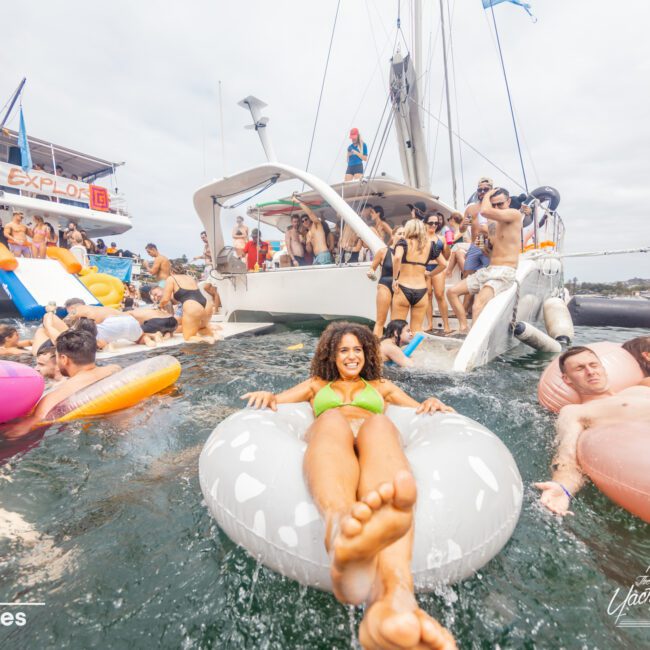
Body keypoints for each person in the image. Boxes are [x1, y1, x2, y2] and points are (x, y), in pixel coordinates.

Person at [241, 322, 456, 650]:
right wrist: (266, 395)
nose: (352, 356)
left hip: (371, 436)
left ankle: (396, 599)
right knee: (330, 420)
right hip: (332, 438)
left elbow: (416, 406)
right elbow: (278, 401)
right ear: (332, 354)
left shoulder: (381, 387)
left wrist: (432, 404)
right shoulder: (316, 385)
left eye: (357, 349)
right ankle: (343, 530)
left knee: (381, 423)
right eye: (344, 350)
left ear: (367, 353)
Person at [534, 346, 650, 516]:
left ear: (603, 369)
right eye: (580, 368)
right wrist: (563, 487)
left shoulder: (639, 389)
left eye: (594, 365)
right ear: (567, 379)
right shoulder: (575, 411)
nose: (590, 372)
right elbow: (567, 454)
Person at [3, 330, 120, 438]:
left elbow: (22, 429)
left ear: (64, 359)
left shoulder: (55, 396)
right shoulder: (114, 369)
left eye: (58, 356)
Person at [447, 188, 521, 334]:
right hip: (489, 267)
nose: (497, 208)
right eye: (494, 205)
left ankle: (474, 345)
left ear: (509, 201)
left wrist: (486, 196)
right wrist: (482, 242)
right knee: (451, 292)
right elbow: (467, 231)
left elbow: (485, 211)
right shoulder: (489, 221)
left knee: (478, 305)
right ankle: (463, 328)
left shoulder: (514, 214)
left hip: (504, 271)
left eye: (500, 204)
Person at [391, 219, 446, 333]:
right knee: (416, 331)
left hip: (403, 288)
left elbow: (397, 258)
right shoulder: (430, 245)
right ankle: (416, 350)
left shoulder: (403, 242)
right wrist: (429, 274)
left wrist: (395, 278)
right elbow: (443, 264)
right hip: (421, 290)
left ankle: (398, 350)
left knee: (396, 330)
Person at [160, 263, 215, 342]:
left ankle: (208, 341)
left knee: (189, 338)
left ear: (171, 272)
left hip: (193, 307)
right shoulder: (190, 278)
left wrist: (159, 306)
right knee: (202, 330)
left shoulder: (171, 278)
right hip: (207, 305)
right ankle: (214, 338)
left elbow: (165, 299)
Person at [66, 302, 157, 348]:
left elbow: (68, 320)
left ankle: (105, 345)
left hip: (112, 324)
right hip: (130, 320)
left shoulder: (77, 309)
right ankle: (146, 339)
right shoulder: (96, 308)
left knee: (90, 336)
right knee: (139, 338)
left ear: (72, 307)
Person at [367, 227, 404, 337]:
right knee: (380, 321)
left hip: (399, 286)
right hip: (385, 285)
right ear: (393, 236)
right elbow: (372, 269)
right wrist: (370, 274)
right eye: (400, 233)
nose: (402, 236)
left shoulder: (407, 253)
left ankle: (393, 346)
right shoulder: (383, 252)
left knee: (396, 323)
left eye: (405, 234)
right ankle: (375, 348)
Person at [424, 213, 451, 334]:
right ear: (425, 223)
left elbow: (446, 255)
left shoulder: (442, 238)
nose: (434, 225)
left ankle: (446, 325)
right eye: (431, 223)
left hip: (437, 267)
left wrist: (448, 247)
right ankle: (429, 324)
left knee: (440, 295)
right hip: (424, 267)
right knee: (427, 295)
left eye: (436, 223)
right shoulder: (421, 238)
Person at [294, 197, 333, 265]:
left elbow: (310, 213)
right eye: (302, 221)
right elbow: (309, 251)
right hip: (316, 257)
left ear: (310, 219)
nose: (304, 221)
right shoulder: (308, 233)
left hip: (323, 255)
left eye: (306, 219)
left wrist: (298, 202)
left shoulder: (317, 225)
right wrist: (308, 243)